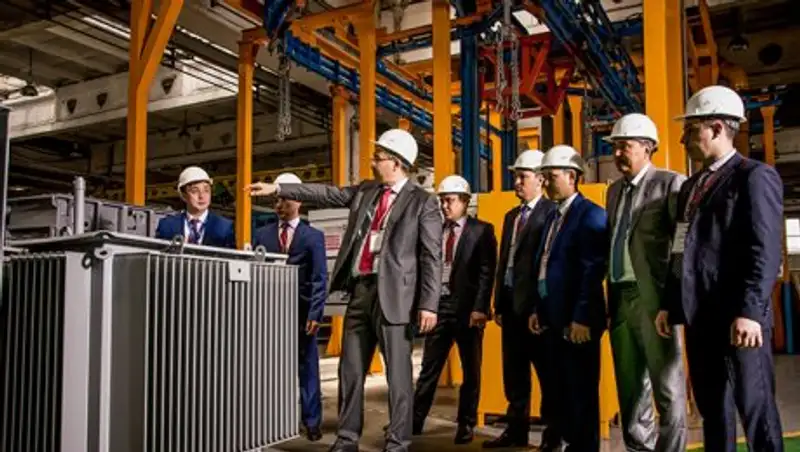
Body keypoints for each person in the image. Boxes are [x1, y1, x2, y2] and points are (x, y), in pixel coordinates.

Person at [246, 128, 441, 452]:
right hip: (361, 290)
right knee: (350, 370)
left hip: (396, 297)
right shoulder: (366, 191)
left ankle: (397, 443)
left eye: (378, 157)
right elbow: (326, 193)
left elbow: (431, 255)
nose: (373, 162)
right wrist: (279, 188)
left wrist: (429, 304)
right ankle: (347, 438)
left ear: (396, 162)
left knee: (398, 376)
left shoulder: (423, 202)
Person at [658, 85, 784, 451]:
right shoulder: (691, 187)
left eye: (690, 128)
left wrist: (750, 312)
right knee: (713, 412)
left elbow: (764, 249)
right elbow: (681, 248)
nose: (682, 139)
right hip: (701, 318)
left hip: (739, 319)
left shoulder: (753, 176)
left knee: (757, 412)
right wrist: (671, 302)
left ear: (716, 128)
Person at [605, 113, 688, 452]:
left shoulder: (671, 184)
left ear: (647, 147)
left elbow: (682, 245)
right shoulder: (613, 191)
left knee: (667, 387)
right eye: (615, 147)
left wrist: (672, 300)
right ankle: (639, 448)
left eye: (624, 146)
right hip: (619, 298)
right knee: (630, 387)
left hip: (654, 300)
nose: (617, 153)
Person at [532, 145, 608, 452]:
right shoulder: (554, 216)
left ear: (572, 177)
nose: (545, 182)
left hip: (577, 322)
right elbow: (546, 263)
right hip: (553, 318)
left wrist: (582, 317)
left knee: (581, 397)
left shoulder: (591, 214)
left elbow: (592, 270)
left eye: (551, 176)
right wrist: (539, 308)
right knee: (561, 394)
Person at [411, 175, 497, 444]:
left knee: (471, 371)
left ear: (464, 201)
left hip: (468, 311)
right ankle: (414, 420)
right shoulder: (435, 230)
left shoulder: (482, 231)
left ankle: (466, 424)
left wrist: (480, 308)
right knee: (429, 368)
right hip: (438, 307)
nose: (444, 206)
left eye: (449, 200)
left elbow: (486, 272)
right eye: (441, 201)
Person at [483, 150, 558, 449]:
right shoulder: (511, 216)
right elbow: (505, 262)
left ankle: (552, 437)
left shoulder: (551, 213)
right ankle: (516, 431)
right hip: (511, 307)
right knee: (514, 376)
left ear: (540, 179)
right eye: (515, 177)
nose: (516, 182)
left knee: (548, 376)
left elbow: (549, 265)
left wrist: (541, 307)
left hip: (535, 310)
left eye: (522, 177)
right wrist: (499, 303)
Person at [252, 172, 328, 442]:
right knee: (271, 366)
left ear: (298, 201)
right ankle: (274, 419)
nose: (279, 205)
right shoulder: (262, 234)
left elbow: (319, 277)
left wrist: (315, 314)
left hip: (302, 313)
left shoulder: (313, 236)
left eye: (284, 199)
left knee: (307, 367)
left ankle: (312, 421)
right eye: (276, 200)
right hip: (270, 312)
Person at [155, 166, 235, 248]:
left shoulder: (224, 227)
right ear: (183, 195)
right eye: (195, 191)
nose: (201, 196)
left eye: (206, 190)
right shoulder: (166, 225)